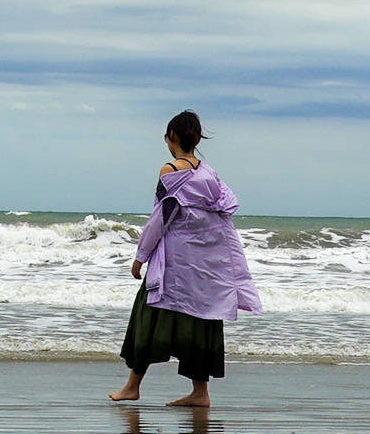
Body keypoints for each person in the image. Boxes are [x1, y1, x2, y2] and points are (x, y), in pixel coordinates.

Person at [108, 111, 261, 407]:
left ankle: (132, 386)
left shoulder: (170, 171)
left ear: (173, 137)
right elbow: (220, 218)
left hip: (177, 260)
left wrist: (141, 255)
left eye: (167, 136)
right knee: (202, 317)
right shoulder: (210, 174)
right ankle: (200, 393)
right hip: (206, 262)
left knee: (148, 313)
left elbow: (162, 216)